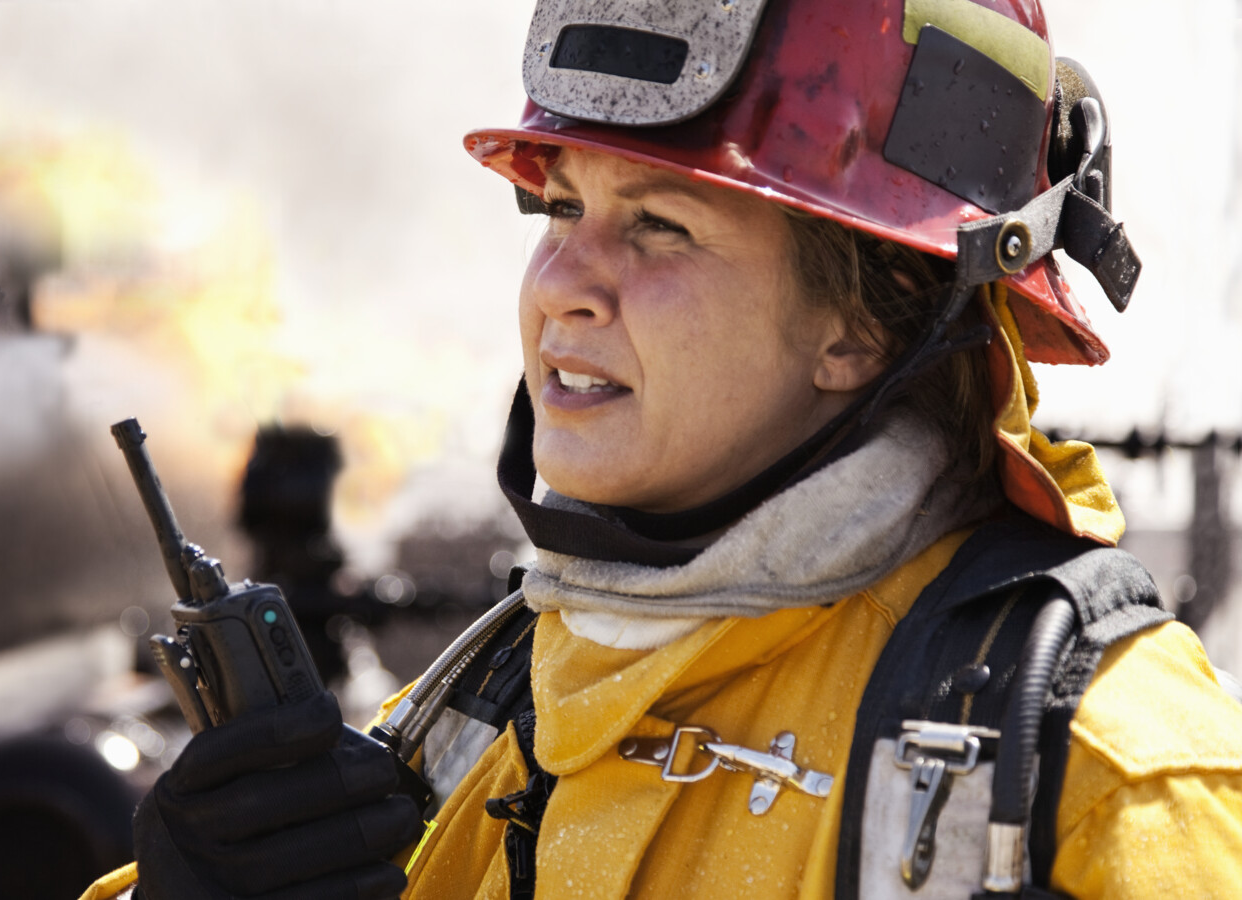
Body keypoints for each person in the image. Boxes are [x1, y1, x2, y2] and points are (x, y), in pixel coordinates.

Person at [85, 1, 1242, 898]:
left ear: (864, 321)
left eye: (659, 225)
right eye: (560, 209)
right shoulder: (495, 706)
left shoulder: (1105, 773)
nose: (562, 289)